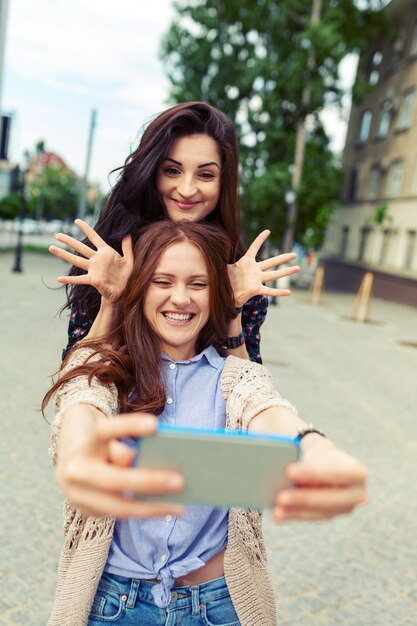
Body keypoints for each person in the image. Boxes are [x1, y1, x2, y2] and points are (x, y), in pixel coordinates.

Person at [44, 220, 368, 626]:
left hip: (216, 606)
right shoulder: (108, 371)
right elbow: (82, 403)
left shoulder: (235, 375)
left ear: (217, 295)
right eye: (162, 281)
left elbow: (265, 407)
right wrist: (77, 456)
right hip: (112, 605)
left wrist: (313, 445)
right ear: (141, 287)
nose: (180, 298)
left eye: (197, 284)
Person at [49, 101, 300, 363]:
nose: (187, 189)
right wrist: (113, 303)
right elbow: (73, 380)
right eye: (172, 170)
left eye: (205, 175)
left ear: (223, 182)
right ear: (151, 172)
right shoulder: (108, 256)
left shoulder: (241, 272)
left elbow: (251, 392)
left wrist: (232, 309)